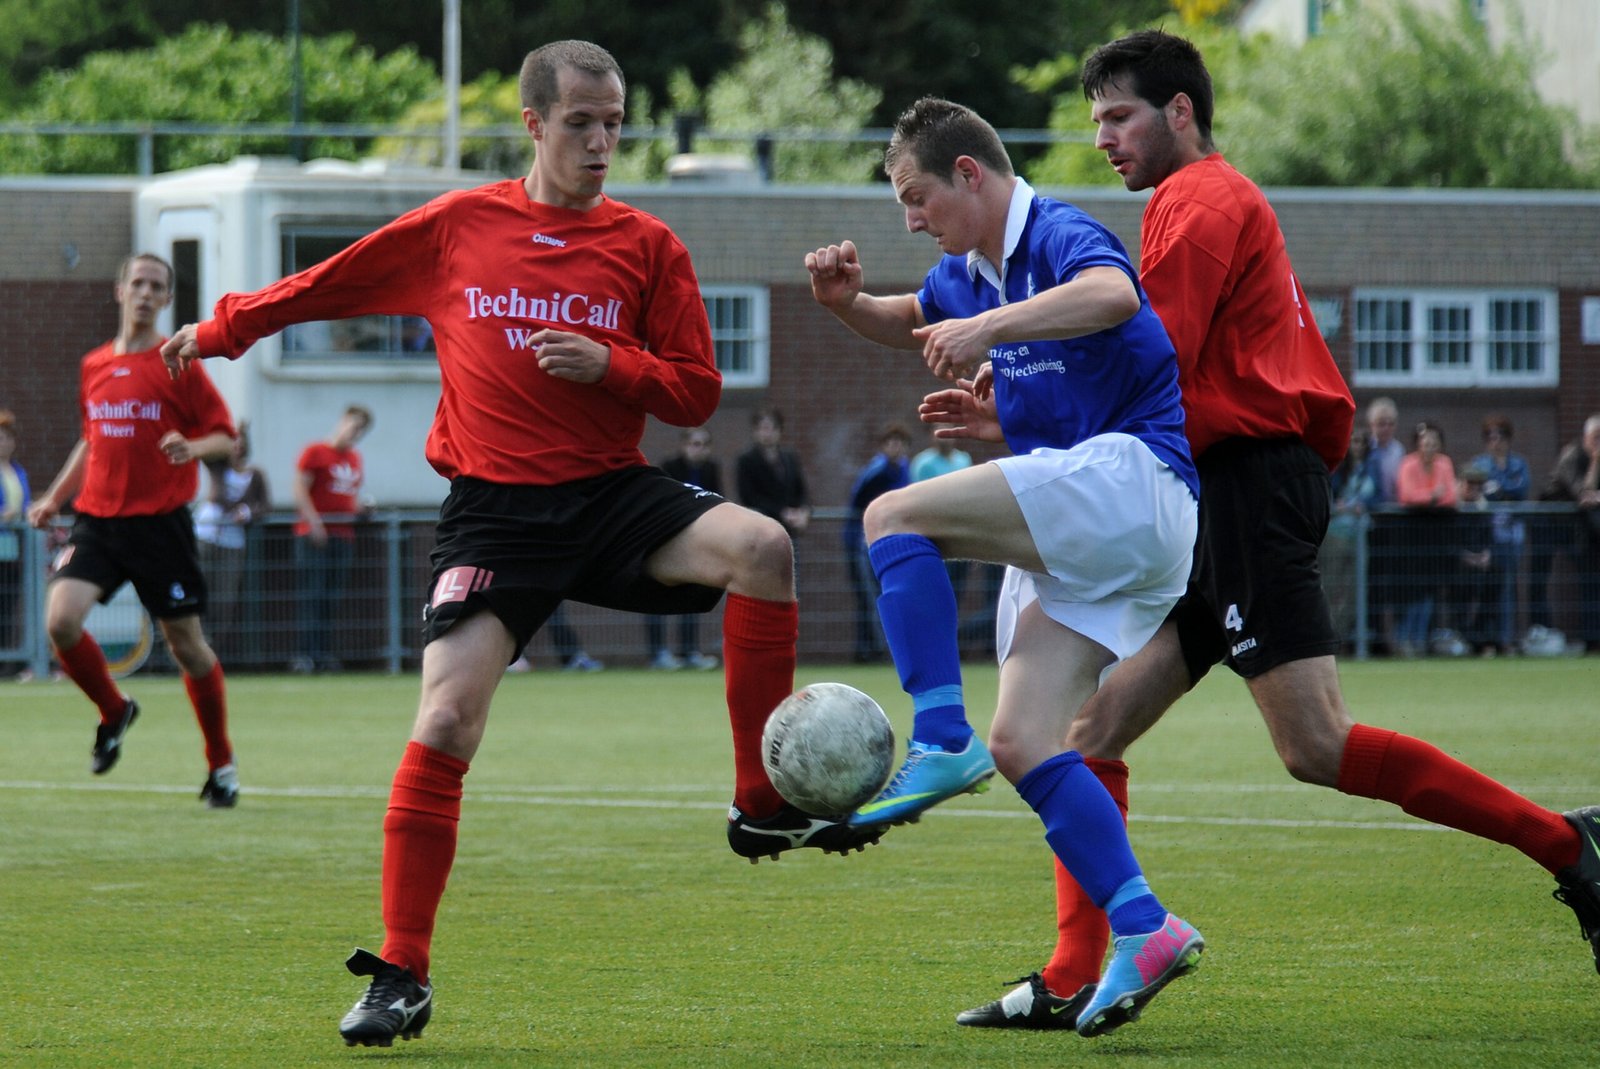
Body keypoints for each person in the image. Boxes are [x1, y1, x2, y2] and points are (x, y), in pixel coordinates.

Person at [161, 40, 888, 1049]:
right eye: (582, 122)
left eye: (615, 122)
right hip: (496, 515)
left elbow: (693, 391)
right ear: (535, 126)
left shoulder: (648, 246)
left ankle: (759, 800)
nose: (602, 141)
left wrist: (611, 363)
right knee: (448, 717)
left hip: (610, 495)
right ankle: (401, 971)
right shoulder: (462, 225)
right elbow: (336, 281)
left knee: (762, 545)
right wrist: (227, 327)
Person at [957, 28, 1600, 1032]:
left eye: (1118, 116)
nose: (1102, 139)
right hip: (1212, 491)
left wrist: (1012, 377)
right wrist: (1009, 414)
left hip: (1248, 487)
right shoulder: (1187, 202)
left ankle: (1571, 845)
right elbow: (1152, 379)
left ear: (1179, 112)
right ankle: (1075, 968)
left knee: (1313, 743)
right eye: (1094, 123)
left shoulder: (1203, 199)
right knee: (1089, 729)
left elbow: (1151, 356)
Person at [807, 95, 1205, 1038]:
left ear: (971, 175)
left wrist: (992, 331)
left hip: (1138, 484)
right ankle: (1145, 926)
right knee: (1029, 743)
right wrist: (844, 304)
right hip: (1111, 532)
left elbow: (1116, 296)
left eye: (916, 197)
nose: (910, 219)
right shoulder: (966, 269)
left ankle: (937, 737)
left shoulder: (1058, 232)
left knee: (892, 512)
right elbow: (906, 315)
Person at [25, 252, 240, 808]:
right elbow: (92, 437)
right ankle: (114, 709)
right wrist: (54, 496)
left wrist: (190, 447)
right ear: (119, 291)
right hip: (98, 521)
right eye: (137, 283)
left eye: (157, 286)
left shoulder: (179, 361)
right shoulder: (94, 364)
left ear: (167, 300)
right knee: (61, 622)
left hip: (161, 527)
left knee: (189, 649)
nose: (146, 293)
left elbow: (226, 438)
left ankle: (221, 765)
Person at [290, 405, 372, 673]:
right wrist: (313, 522)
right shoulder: (315, 452)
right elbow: (300, 488)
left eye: (360, 429)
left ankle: (323, 654)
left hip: (343, 535)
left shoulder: (354, 459)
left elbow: (348, 497)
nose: (354, 432)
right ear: (342, 421)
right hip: (314, 536)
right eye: (353, 424)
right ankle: (305, 655)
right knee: (312, 594)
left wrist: (363, 510)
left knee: (330, 597)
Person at [194, 423, 269, 662]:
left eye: (239, 442)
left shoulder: (255, 475)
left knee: (224, 597)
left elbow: (264, 505)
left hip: (232, 540)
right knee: (198, 589)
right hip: (206, 534)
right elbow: (203, 451)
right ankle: (196, 645)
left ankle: (214, 650)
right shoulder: (218, 467)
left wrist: (246, 512)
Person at [648, 427, 722, 670]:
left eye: (703, 444)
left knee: (692, 593)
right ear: (684, 445)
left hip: (698, 543)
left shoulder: (711, 469)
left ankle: (689, 650)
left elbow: (718, 500)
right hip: (667, 538)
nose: (698, 449)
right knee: (656, 594)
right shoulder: (670, 467)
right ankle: (658, 652)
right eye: (694, 443)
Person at [842, 424, 912, 664]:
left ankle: (879, 647)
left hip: (890, 540)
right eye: (891, 442)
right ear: (884, 446)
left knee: (885, 595)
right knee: (869, 596)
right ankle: (872, 650)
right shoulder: (876, 472)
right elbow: (858, 506)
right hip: (864, 543)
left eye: (900, 442)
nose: (896, 447)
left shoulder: (904, 469)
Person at [1393, 421, 1457, 657]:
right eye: (1425, 442)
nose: (1430, 447)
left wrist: (1429, 499)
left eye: (1434, 442)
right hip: (1413, 535)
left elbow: (1451, 495)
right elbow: (1406, 495)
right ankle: (1403, 639)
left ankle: (1419, 640)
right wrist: (1432, 496)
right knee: (1413, 591)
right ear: (1418, 444)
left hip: (1437, 535)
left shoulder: (1445, 464)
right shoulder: (1408, 465)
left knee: (1430, 590)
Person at [1467, 414, 1529, 654]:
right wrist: (1503, 491)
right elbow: (1481, 491)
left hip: (1512, 534)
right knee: (1489, 589)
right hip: (1488, 535)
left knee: (1509, 587)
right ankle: (1489, 638)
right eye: (1491, 437)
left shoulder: (1519, 464)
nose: (1496, 442)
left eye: (1501, 436)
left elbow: (1520, 489)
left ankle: (1507, 637)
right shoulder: (1480, 464)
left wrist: (1500, 490)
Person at [1543, 415, 1600, 652]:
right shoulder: (1573, 456)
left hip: (1585, 531)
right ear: (1585, 437)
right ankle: (1590, 639)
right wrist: (1596, 460)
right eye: (1596, 438)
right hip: (1552, 528)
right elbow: (1584, 494)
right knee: (1585, 584)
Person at [1320, 427, 1378, 645]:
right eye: (1354, 441)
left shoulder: (1371, 469)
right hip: (1336, 535)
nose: (1358, 446)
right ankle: (1327, 635)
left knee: (1355, 590)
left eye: (1362, 442)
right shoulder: (1338, 469)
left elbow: (1377, 496)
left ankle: (1339, 636)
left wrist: (1362, 506)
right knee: (1331, 587)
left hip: (1360, 536)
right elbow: (1330, 497)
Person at [735, 407, 811, 539]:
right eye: (763, 428)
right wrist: (782, 512)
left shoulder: (789, 458)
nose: (768, 433)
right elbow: (748, 496)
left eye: (772, 428)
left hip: (788, 529)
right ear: (755, 431)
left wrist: (804, 511)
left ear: (780, 430)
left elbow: (801, 490)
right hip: (761, 527)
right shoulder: (746, 460)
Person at [0, 410, 32, 674]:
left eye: (7, 438)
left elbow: (24, 503)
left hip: (15, 550)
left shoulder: (17, 471)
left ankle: (8, 663)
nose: (4, 443)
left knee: (9, 606)